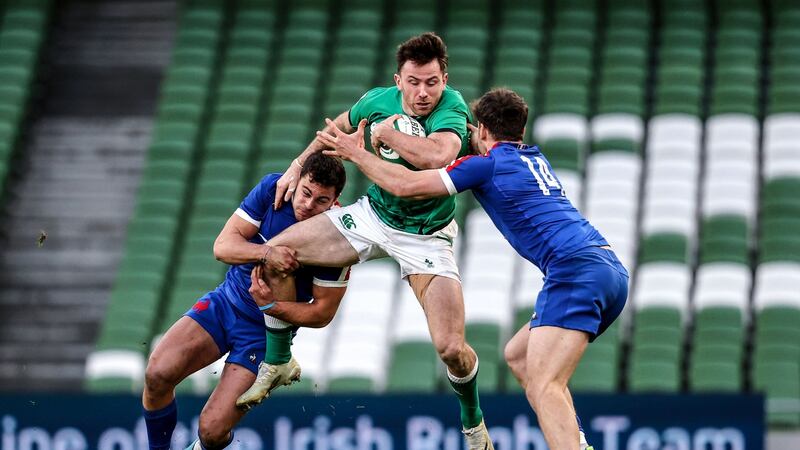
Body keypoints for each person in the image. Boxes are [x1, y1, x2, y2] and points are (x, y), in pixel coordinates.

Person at [317, 87, 629, 450]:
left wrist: (359, 152)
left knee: (546, 385)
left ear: (481, 130)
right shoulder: (532, 156)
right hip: (609, 269)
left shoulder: (485, 164)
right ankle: (578, 442)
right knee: (519, 356)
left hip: (575, 272)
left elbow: (405, 186)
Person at [237, 32, 494, 449]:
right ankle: (279, 359)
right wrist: (296, 166)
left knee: (451, 348)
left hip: (426, 238)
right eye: (414, 82)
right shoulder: (377, 101)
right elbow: (336, 127)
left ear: (445, 79)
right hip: (373, 216)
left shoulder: (453, 108)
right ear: (398, 80)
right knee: (276, 252)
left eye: (432, 82)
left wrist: (388, 136)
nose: (423, 92)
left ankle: (473, 423)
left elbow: (435, 157)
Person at [141, 153, 350, 450]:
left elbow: (322, 313)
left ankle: (277, 363)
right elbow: (223, 246)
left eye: (321, 200)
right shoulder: (273, 190)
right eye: (306, 193)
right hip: (225, 303)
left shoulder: (338, 238)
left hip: (263, 335)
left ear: (335, 200)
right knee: (157, 374)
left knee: (211, 432)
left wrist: (271, 307)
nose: (308, 205)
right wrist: (266, 253)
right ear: (298, 180)